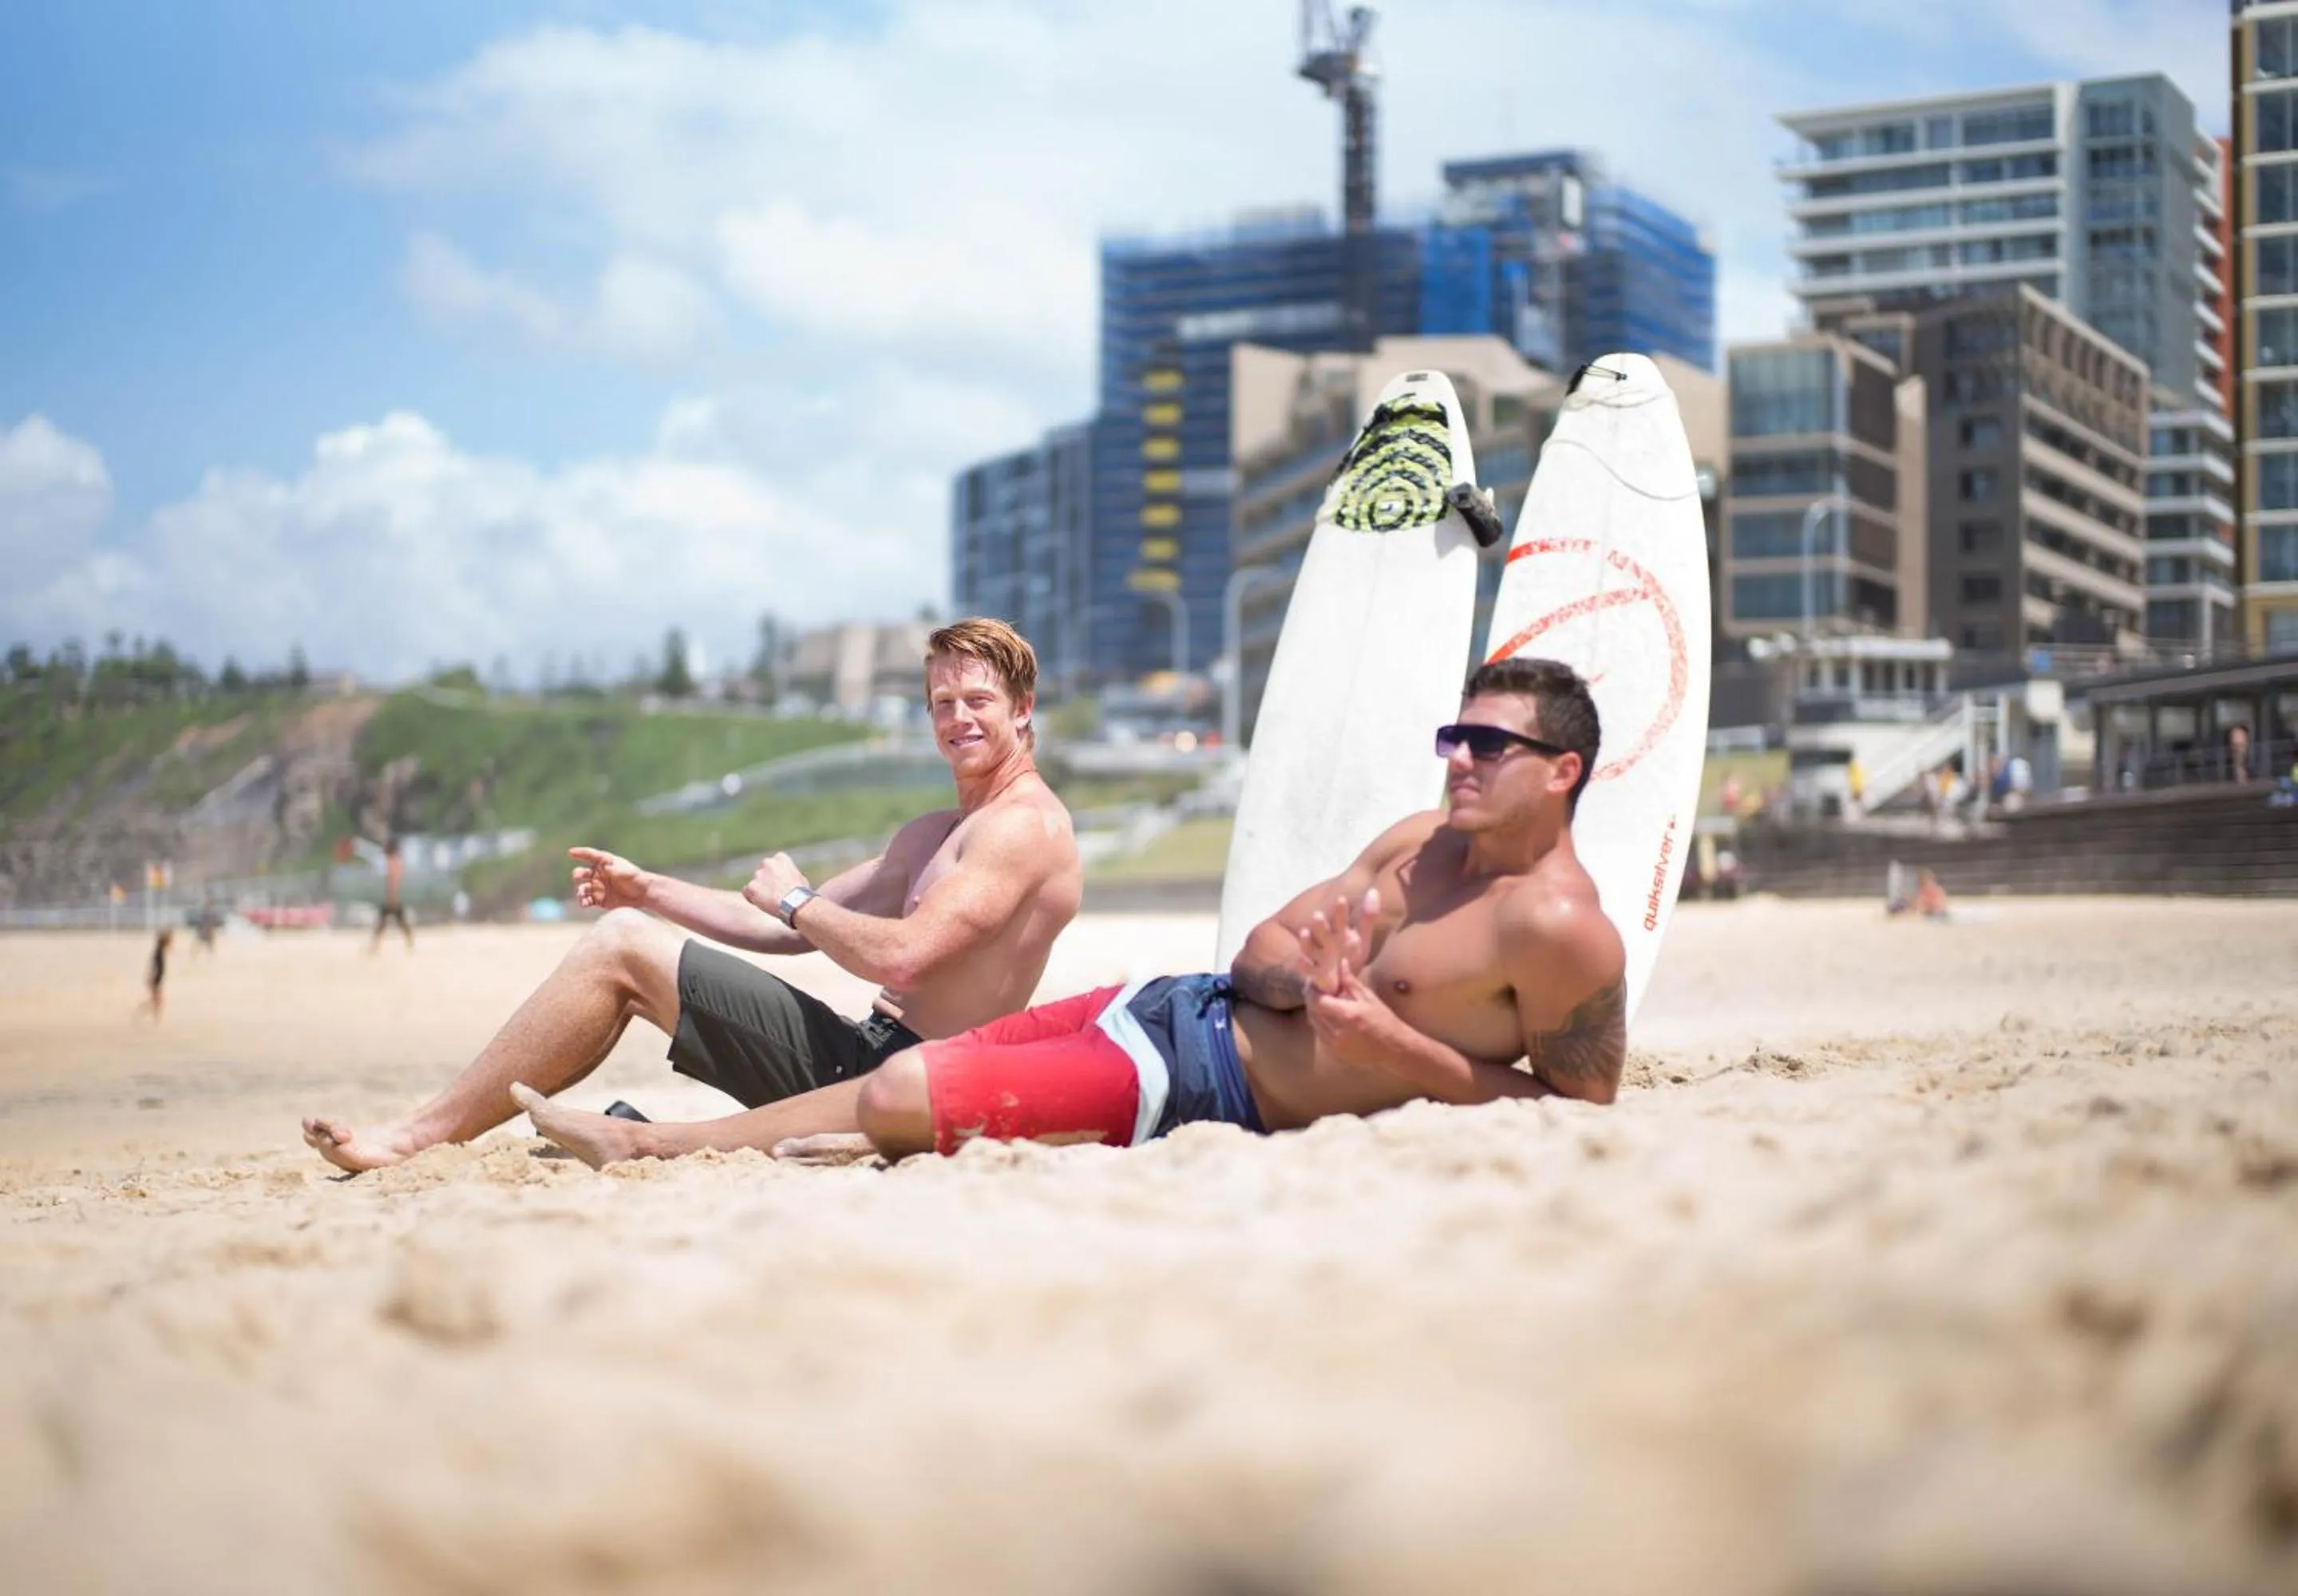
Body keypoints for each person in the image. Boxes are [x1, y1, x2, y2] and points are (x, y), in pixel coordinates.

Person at [515, 658, 1627, 1171]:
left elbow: (1573, 1111)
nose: (1460, 761)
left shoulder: (1560, 931)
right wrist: (1294, 978)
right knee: (878, 1091)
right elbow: (1259, 948)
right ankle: (657, 1140)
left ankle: (640, 1143)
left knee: (900, 1086)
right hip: (1168, 1007)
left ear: (1562, 769)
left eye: (1489, 746)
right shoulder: (1414, 840)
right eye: (1453, 738)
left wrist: (1385, 1040)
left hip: (1206, 1087)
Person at [303, 618, 1082, 1174]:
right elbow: (776, 928)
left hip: (912, 1079)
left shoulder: (1022, 829)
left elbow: (904, 958)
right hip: (861, 1054)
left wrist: (798, 902)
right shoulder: (935, 831)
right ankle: (424, 1133)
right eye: (940, 702)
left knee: (621, 951)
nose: (956, 718)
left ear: (1021, 708)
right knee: (625, 939)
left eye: (976, 699)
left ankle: (413, 1138)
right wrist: (646, 889)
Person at [369, 837, 415, 954]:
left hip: (392, 898)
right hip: (393, 897)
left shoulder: (393, 863)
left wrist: (391, 897)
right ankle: (410, 943)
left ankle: (375, 946)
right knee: (396, 921)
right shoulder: (396, 861)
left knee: (384, 922)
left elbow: (393, 882)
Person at [137, 927, 173, 1021]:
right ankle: (142, 1013)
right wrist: (152, 979)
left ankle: (155, 1018)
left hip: (156, 980)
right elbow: (154, 967)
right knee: (156, 1001)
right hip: (155, 980)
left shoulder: (159, 952)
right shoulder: (158, 954)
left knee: (157, 1001)